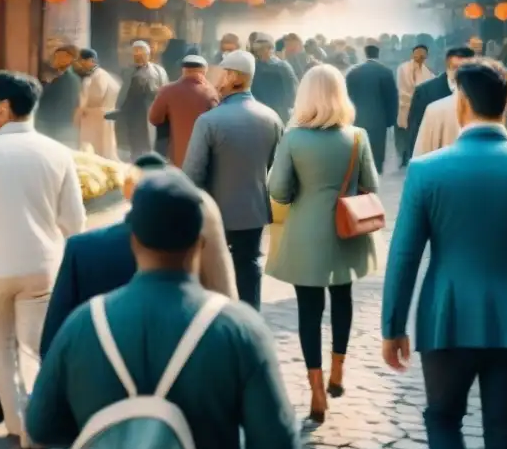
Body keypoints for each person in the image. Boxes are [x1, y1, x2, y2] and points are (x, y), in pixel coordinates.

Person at [26, 170, 301, 449]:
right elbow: (277, 444)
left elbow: (41, 426)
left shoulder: (83, 323)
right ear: (200, 242)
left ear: (134, 242)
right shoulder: (239, 330)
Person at [382, 59, 507, 449]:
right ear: (506, 103)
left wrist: (394, 325)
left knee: (442, 418)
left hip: (446, 315)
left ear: (462, 103)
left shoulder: (427, 170)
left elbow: (404, 255)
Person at [0, 71, 86, 449]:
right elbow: (74, 223)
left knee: (2, 344)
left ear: (4, 108)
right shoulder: (58, 152)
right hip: (42, 265)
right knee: (33, 348)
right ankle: (36, 430)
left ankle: (15, 424)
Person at [266, 65, 380, 423]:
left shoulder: (293, 138)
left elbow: (279, 191)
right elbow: (370, 183)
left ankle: (316, 390)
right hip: (345, 230)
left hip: (307, 233)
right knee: (342, 299)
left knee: (309, 310)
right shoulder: (358, 136)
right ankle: (337, 372)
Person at [39, 153, 237, 359]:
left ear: (128, 192)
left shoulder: (82, 250)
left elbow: (51, 348)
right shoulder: (193, 241)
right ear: (198, 246)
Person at [184, 50, 283, 311]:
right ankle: (250, 320)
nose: (217, 78)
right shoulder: (272, 117)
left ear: (232, 76)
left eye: (222, 72)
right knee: (249, 266)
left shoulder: (208, 120)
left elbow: (193, 174)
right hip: (254, 210)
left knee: (212, 270)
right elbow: (272, 163)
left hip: (214, 212)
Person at [148, 55, 219, 168]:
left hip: (173, 160)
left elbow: (154, 118)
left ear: (183, 70)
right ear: (204, 71)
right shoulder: (211, 93)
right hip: (202, 162)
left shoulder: (168, 90)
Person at [405, 46, 475, 158]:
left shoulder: (482, 93)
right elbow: (414, 132)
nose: (460, 74)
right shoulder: (425, 92)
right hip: (436, 159)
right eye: (455, 68)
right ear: (447, 66)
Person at [344, 41, 398, 174]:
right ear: (378, 54)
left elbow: (346, 96)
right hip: (378, 118)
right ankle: (376, 173)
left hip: (357, 118)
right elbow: (392, 98)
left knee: (358, 148)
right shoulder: (385, 72)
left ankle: (359, 172)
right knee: (376, 150)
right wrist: (391, 119)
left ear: (365, 53)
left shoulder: (352, 72)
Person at [113, 41, 169, 160]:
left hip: (149, 110)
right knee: (132, 143)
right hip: (131, 113)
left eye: (141, 53)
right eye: (135, 54)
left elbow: (165, 91)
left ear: (148, 55)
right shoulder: (127, 71)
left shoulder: (158, 71)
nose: (138, 56)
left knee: (150, 141)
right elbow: (123, 91)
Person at [75, 48, 120, 159]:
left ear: (91, 60)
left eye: (83, 60)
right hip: (96, 117)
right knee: (97, 147)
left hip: (96, 116)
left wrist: (83, 109)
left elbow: (97, 96)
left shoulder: (100, 75)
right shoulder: (96, 75)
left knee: (98, 148)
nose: (81, 64)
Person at [35, 45, 83, 148]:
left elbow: (69, 104)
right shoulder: (53, 77)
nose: (55, 59)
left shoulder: (71, 79)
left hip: (60, 127)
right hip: (49, 124)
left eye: (60, 56)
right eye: (55, 56)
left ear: (69, 58)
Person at [395, 44, 434, 166]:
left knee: (415, 133)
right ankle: (403, 156)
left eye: (423, 54)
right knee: (403, 134)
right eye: (417, 53)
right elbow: (401, 87)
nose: (420, 56)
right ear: (412, 54)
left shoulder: (428, 72)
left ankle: (412, 156)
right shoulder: (403, 68)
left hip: (419, 108)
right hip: (404, 105)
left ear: (426, 56)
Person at [249, 33, 299, 123]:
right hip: (281, 114)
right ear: (271, 49)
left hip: (258, 113)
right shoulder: (283, 67)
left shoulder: (252, 68)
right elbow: (293, 92)